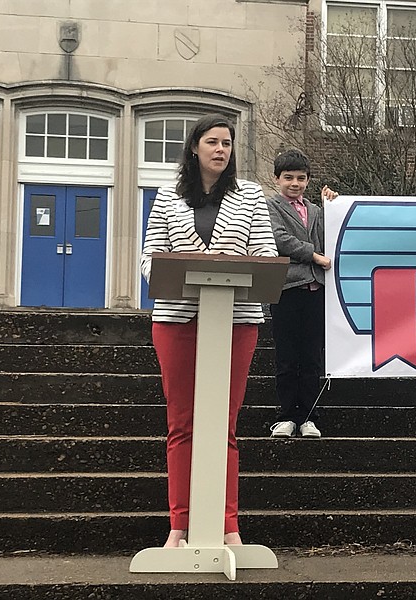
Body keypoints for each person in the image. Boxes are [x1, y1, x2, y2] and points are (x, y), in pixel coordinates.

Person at [141, 114, 277, 548]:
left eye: (228, 143)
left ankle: (228, 527)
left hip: (236, 321)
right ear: (195, 147)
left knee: (226, 424)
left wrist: (228, 263)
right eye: (213, 142)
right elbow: (150, 260)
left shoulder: (251, 196)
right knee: (181, 423)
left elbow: (268, 256)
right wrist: (185, 267)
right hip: (177, 320)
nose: (221, 149)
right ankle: (178, 526)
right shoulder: (167, 197)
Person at [266, 149, 338, 438]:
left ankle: (308, 417)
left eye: (300, 178)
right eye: (288, 178)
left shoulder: (316, 210)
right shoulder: (270, 206)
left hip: (315, 290)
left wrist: (332, 206)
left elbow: (328, 236)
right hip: (286, 289)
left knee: (311, 356)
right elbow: (279, 239)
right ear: (277, 179)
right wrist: (313, 256)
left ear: (308, 180)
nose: (294, 183)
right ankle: (286, 416)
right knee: (287, 356)